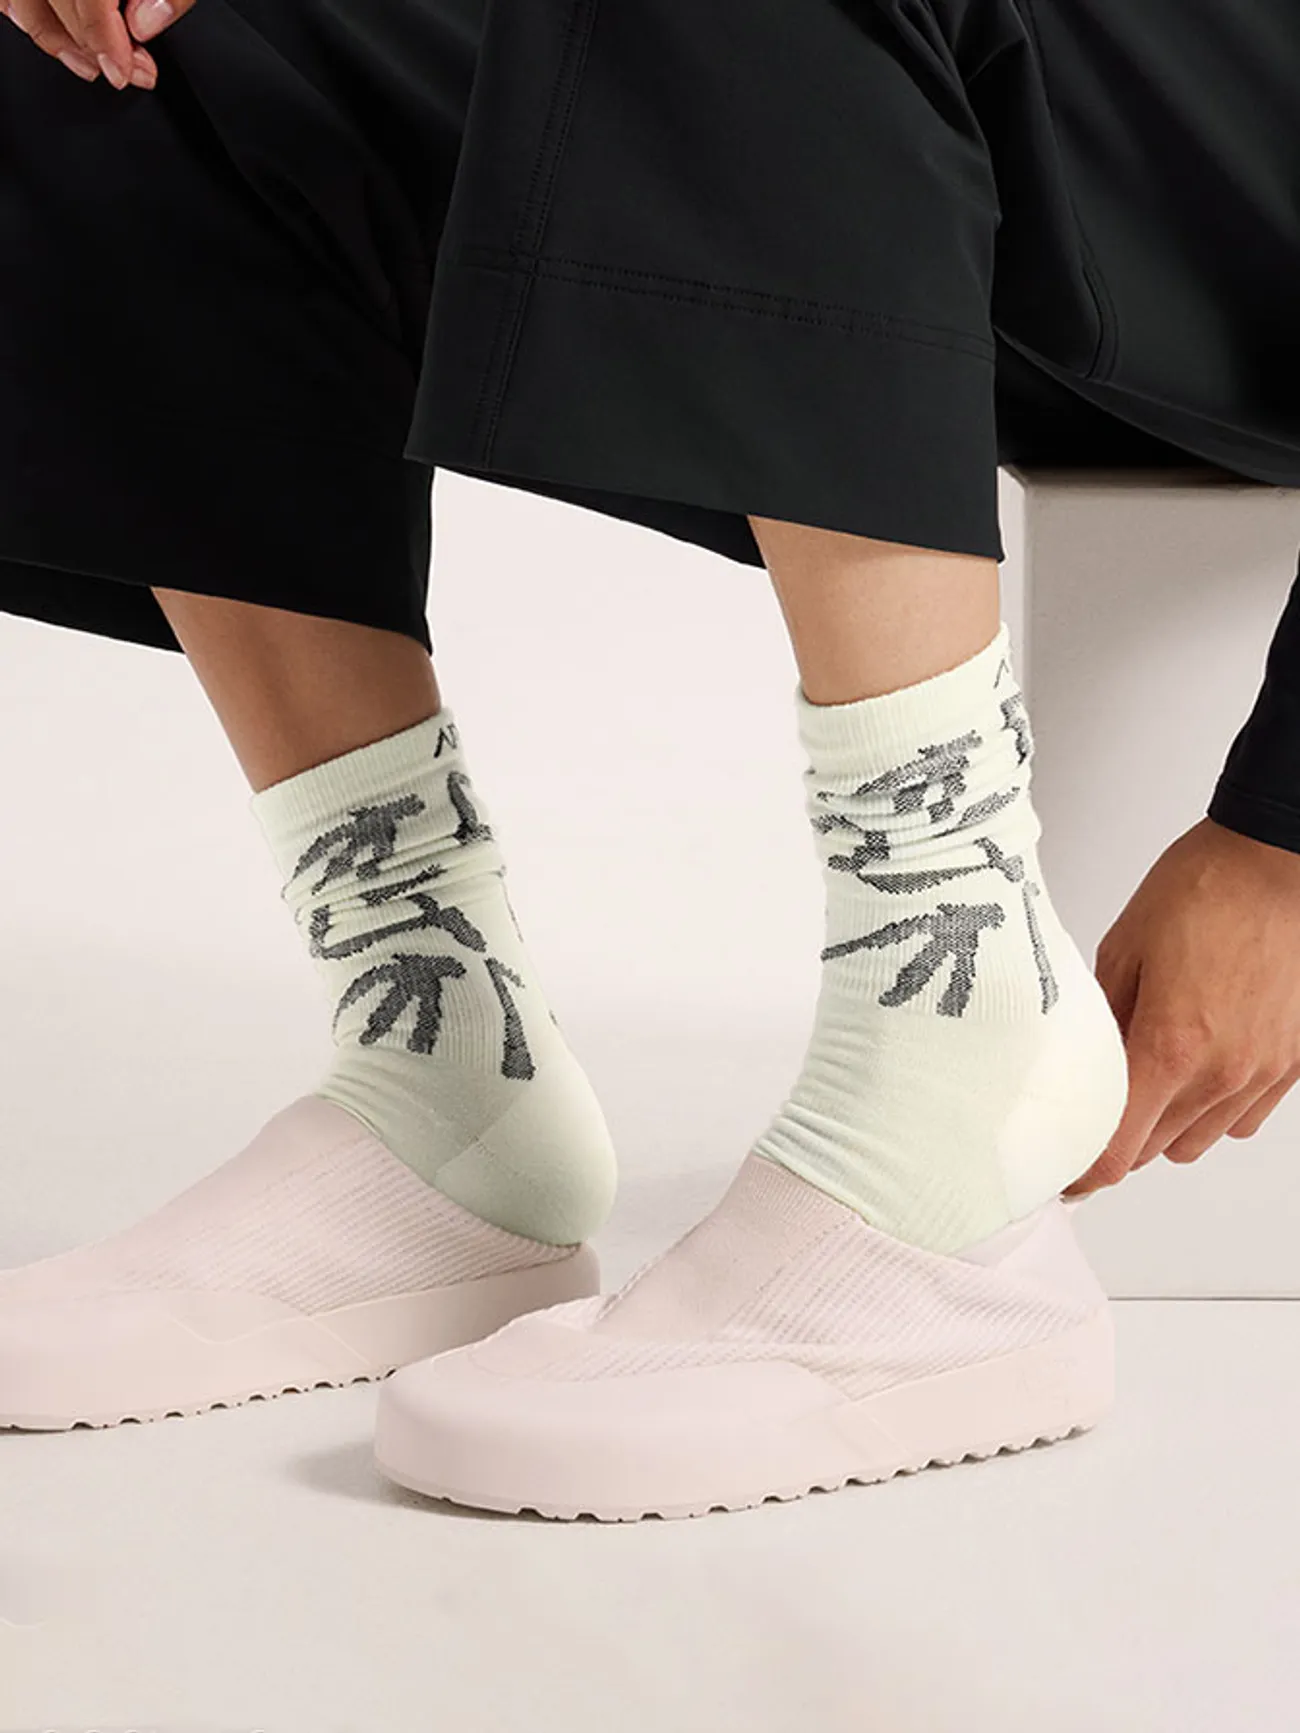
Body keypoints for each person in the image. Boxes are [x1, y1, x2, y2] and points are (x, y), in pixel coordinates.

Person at [3, 0, 1300, 1518]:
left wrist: (1282, 841)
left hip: (1232, 204)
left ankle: (958, 1034)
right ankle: (444, 1072)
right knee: (140, 42)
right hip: (936, 153)